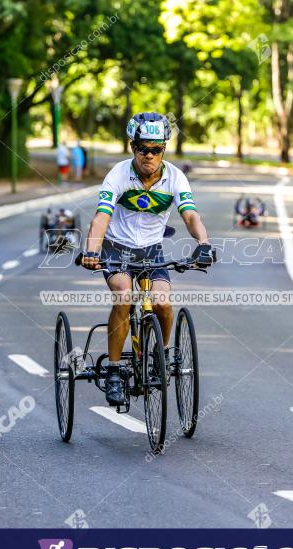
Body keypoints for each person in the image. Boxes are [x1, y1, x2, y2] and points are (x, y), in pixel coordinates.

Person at [80, 112, 214, 406]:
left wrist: (203, 244)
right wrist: (92, 250)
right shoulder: (117, 175)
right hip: (116, 249)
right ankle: (115, 371)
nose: (150, 155)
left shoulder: (175, 178)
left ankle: (160, 356)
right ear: (133, 147)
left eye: (157, 149)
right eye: (144, 149)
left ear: (164, 149)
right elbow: (101, 218)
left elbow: (190, 215)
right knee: (124, 295)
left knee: (163, 302)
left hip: (152, 249)